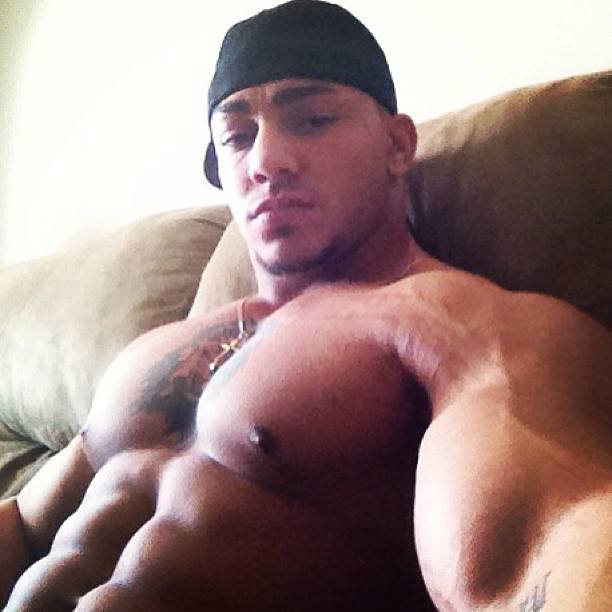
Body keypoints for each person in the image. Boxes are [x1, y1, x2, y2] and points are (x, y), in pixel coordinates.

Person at [1, 1, 611, 610]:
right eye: (237, 138)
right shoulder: (153, 352)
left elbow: (549, 542)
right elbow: (27, 526)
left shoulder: (460, 326)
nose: (266, 161)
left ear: (398, 145)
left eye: (313, 120)